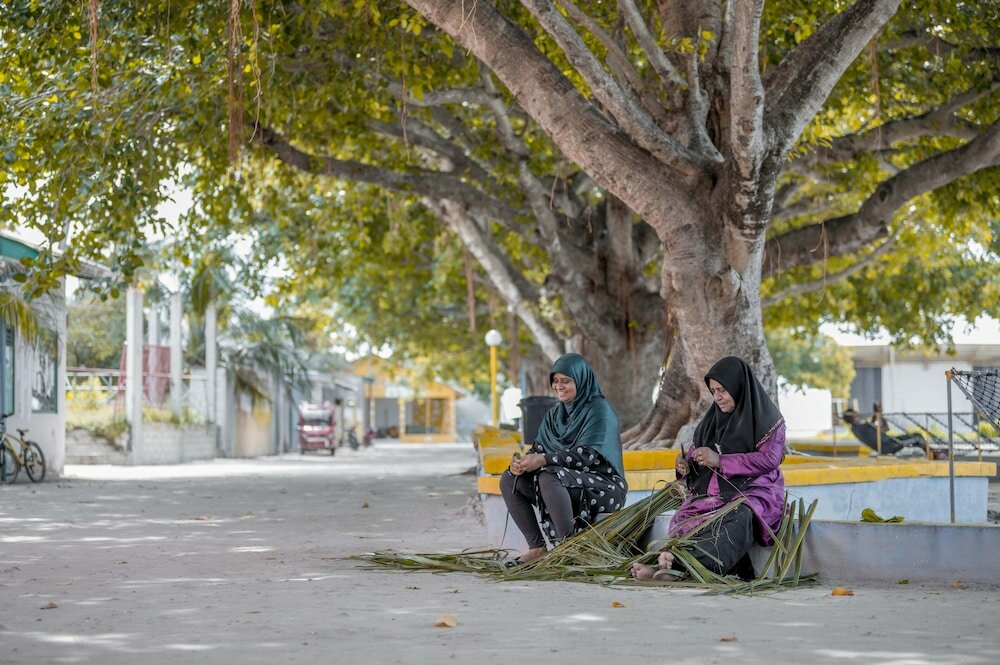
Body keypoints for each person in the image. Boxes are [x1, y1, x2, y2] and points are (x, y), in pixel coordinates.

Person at [631, 356, 785, 581]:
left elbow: (769, 460)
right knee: (686, 517)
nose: (717, 397)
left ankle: (680, 570)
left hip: (754, 494)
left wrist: (720, 460)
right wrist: (686, 464)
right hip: (714, 495)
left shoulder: (768, 420)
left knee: (738, 517)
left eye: (722, 390)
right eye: (713, 391)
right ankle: (669, 564)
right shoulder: (713, 420)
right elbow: (697, 451)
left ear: (738, 386)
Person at [500, 353, 627, 565]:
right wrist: (520, 464)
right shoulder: (554, 415)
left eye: (566, 381)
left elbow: (586, 457)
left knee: (549, 475)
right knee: (509, 479)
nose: (559, 386)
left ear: (581, 380)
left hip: (604, 487)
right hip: (563, 482)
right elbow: (538, 449)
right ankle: (537, 548)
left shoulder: (599, 410)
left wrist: (543, 460)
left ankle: (569, 548)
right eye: (555, 381)